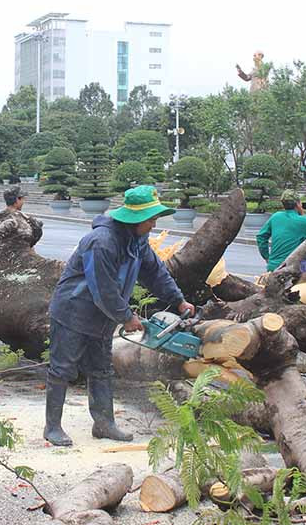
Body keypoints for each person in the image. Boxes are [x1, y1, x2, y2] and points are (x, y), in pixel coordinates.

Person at [45, 185, 196, 447]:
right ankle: (53, 427)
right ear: (136, 218)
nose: (154, 224)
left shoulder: (137, 241)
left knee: (102, 369)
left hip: (102, 316)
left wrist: (178, 300)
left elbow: (155, 272)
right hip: (73, 311)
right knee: (63, 369)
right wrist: (126, 316)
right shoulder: (101, 242)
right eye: (151, 219)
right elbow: (103, 288)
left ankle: (104, 423)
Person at [255, 190, 306, 272]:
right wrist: (303, 214)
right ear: (298, 204)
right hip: (290, 268)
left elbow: (261, 236)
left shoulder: (276, 216)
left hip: (273, 266)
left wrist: (266, 257)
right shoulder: (302, 221)